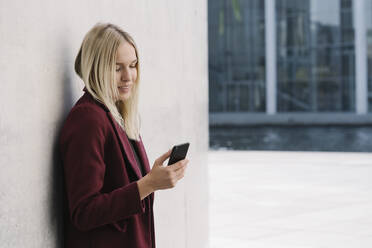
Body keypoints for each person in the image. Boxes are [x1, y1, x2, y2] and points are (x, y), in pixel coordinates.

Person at [59, 23, 188, 248]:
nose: (129, 76)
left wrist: (151, 179)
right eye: (117, 67)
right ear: (96, 67)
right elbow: (84, 212)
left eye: (133, 65)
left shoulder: (116, 115)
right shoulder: (88, 120)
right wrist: (147, 184)